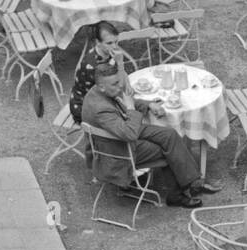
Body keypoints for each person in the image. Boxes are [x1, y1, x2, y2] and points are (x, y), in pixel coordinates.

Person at [80, 61, 219, 208]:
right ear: (101, 86)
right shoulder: (100, 109)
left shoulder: (102, 89)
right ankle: (176, 196)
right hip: (117, 150)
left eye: (118, 81)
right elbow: (130, 133)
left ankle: (193, 183)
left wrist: (148, 105)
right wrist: (131, 108)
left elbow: (124, 100)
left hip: (121, 130)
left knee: (170, 135)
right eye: (115, 84)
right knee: (165, 150)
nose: (120, 86)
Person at [68, 20, 135, 123]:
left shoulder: (106, 53)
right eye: (109, 43)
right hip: (85, 108)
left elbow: (118, 78)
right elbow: (117, 89)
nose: (115, 46)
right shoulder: (92, 65)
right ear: (97, 42)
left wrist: (128, 83)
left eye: (116, 41)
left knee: (133, 101)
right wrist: (120, 63)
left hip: (102, 96)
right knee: (131, 114)